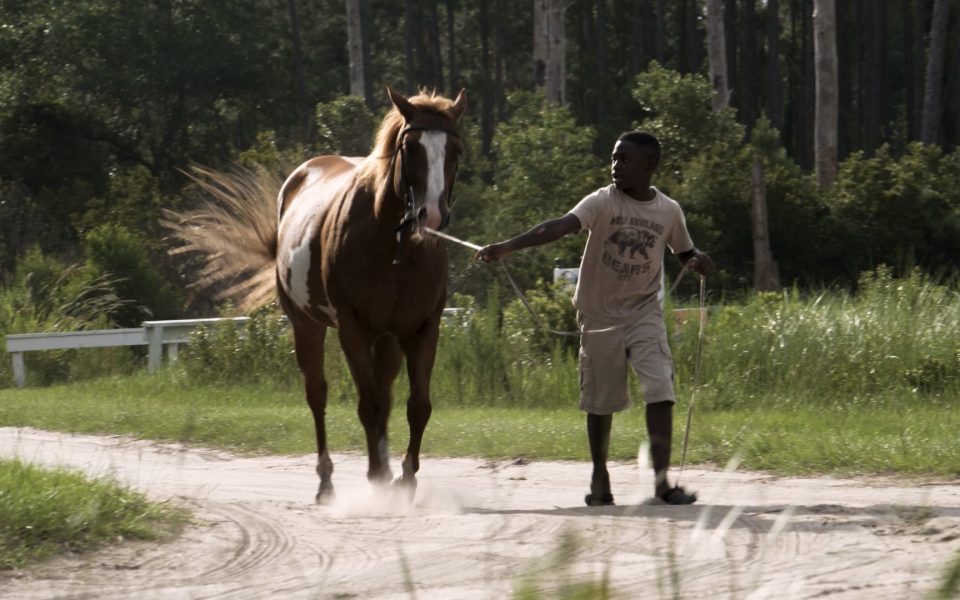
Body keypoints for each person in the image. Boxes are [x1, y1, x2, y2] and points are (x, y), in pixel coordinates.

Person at [475, 131, 713, 506]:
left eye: (625, 160)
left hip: (644, 312)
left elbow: (684, 250)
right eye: (614, 158)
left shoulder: (668, 211)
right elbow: (557, 226)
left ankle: (663, 484)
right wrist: (507, 247)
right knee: (601, 402)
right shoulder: (602, 201)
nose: (615, 166)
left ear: (650, 165)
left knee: (660, 389)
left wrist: (697, 259)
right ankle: (599, 477)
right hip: (599, 314)